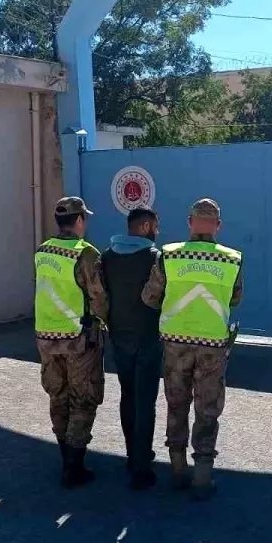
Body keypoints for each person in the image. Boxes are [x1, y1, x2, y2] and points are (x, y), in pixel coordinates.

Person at [142, 198, 243, 500]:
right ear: (218, 225)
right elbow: (235, 298)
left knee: (176, 403)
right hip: (212, 344)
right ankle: (202, 478)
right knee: (207, 408)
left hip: (175, 343)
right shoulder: (233, 259)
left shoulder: (169, 255)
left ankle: (177, 470)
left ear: (189, 222)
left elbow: (150, 297)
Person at [34, 196, 109, 488]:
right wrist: (106, 322)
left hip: (46, 337)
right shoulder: (85, 253)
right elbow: (98, 297)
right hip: (79, 339)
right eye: (85, 218)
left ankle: (66, 457)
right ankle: (74, 467)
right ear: (79, 221)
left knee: (58, 395)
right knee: (83, 399)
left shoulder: (42, 251)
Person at [100, 206, 163, 490]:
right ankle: (141, 466)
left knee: (127, 395)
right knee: (145, 400)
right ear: (146, 227)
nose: (157, 232)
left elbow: (101, 299)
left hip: (119, 337)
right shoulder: (155, 258)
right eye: (155, 227)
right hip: (148, 338)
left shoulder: (107, 257)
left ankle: (131, 455)